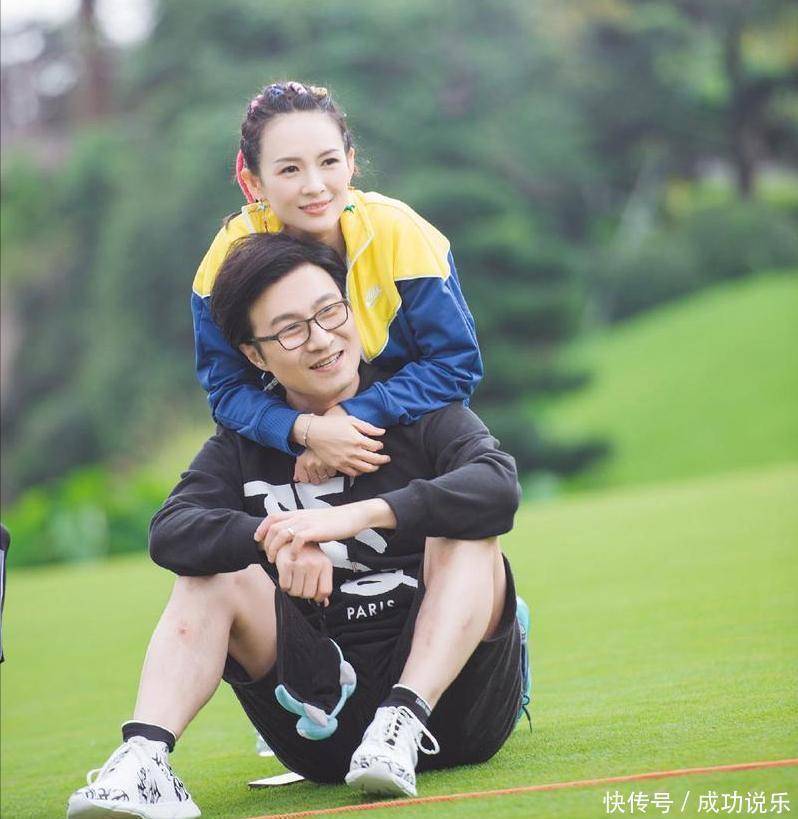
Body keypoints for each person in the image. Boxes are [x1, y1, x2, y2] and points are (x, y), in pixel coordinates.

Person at [67, 233, 529, 818]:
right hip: (320, 720)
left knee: (468, 532)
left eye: (330, 311)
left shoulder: (419, 407)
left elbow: (497, 488)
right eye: (290, 330)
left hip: (453, 713)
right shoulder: (242, 444)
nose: (321, 339)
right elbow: (171, 531)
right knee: (209, 574)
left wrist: (353, 517)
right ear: (256, 355)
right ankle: (144, 762)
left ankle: (401, 718)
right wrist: (277, 540)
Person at [193, 80, 483, 486]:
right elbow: (227, 391)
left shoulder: (399, 231)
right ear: (255, 182)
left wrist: (349, 415)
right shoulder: (228, 258)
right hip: (291, 461)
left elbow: (456, 365)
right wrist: (307, 431)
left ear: (350, 162)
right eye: (290, 169)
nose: (314, 186)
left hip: (408, 440)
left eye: (328, 162)